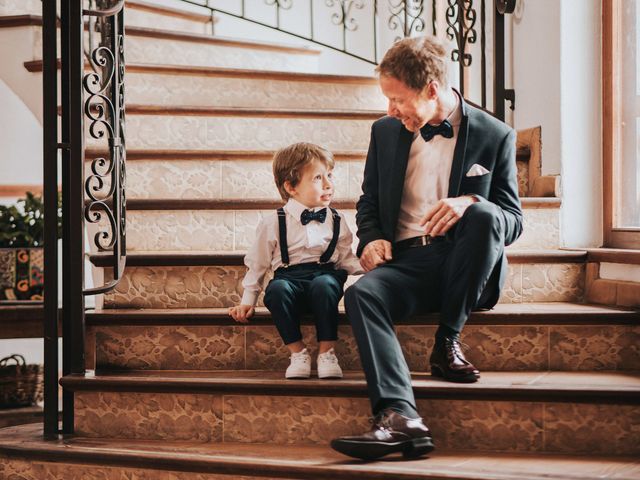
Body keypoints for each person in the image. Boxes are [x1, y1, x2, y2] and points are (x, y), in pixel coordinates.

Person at [330, 36, 523, 460]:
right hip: (408, 263)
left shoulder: (495, 135)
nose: (389, 110)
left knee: (486, 215)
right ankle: (400, 417)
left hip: (465, 263)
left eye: (398, 100)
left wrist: (470, 201)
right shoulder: (384, 133)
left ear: (431, 89)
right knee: (361, 294)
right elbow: (368, 201)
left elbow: (512, 222)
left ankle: (447, 341)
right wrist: (371, 237)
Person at [229, 142, 363, 379]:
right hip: (289, 279)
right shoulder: (273, 222)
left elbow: (345, 258)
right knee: (276, 291)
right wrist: (247, 300)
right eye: (318, 178)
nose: (328, 184)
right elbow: (258, 263)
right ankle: (298, 351)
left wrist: (370, 268)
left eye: (329, 176)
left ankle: (326, 352)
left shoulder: (336, 219)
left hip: (325, 278)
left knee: (325, 285)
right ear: (291, 186)